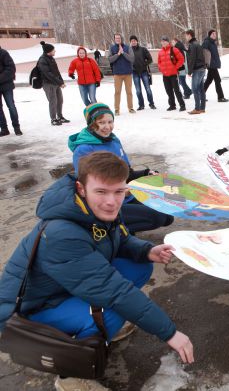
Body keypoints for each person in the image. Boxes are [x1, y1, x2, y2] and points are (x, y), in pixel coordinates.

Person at [0, 151, 194, 391]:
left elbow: (119, 240)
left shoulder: (98, 209)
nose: (111, 201)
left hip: (65, 286)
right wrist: (170, 333)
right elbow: (114, 292)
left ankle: (96, 329)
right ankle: (70, 377)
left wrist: (146, 251)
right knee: (111, 311)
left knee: (139, 266)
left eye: (119, 191)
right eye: (101, 191)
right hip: (31, 308)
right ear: (81, 189)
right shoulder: (62, 233)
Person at [68, 102, 175, 233]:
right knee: (158, 217)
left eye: (110, 121)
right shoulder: (83, 149)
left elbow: (126, 173)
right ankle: (110, 231)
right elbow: (88, 188)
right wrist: (120, 191)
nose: (107, 127)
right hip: (107, 203)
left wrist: (147, 173)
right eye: (101, 122)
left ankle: (121, 228)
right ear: (91, 124)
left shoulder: (113, 141)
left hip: (125, 195)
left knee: (168, 214)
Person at [38, 41, 69, 126]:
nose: (55, 51)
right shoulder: (42, 60)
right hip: (48, 83)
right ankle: (53, 119)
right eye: (53, 50)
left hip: (55, 83)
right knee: (53, 101)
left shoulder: (51, 58)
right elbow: (48, 74)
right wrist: (59, 82)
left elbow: (56, 72)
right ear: (49, 51)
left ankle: (60, 117)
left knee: (60, 100)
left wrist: (61, 82)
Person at [108, 33, 135, 115]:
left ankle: (130, 108)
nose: (117, 39)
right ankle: (116, 109)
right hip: (117, 74)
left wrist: (123, 53)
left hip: (128, 74)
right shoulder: (111, 48)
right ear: (114, 39)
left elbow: (132, 59)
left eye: (119, 38)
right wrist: (118, 54)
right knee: (117, 92)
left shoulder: (128, 47)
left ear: (121, 39)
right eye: (116, 38)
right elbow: (110, 60)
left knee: (129, 92)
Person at [158, 36, 186, 112]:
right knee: (168, 90)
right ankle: (172, 105)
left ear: (168, 42)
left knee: (177, 90)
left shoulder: (174, 49)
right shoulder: (160, 52)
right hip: (165, 75)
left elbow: (181, 59)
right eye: (162, 41)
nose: (163, 42)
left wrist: (176, 67)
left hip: (173, 74)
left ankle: (182, 105)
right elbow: (159, 62)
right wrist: (161, 68)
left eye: (165, 41)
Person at [129, 35, 156, 111]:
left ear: (137, 41)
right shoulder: (129, 50)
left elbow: (150, 59)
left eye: (134, 40)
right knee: (138, 90)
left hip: (144, 72)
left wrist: (143, 64)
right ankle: (141, 105)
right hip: (135, 73)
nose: (133, 42)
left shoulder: (143, 49)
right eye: (132, 41)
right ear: (130, 42)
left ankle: (151, 104)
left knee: (148, 89)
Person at [184, 29, 207, 114]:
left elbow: (192, 59)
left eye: (186, 35)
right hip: (202, 69)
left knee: (194, 89)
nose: (185, 37)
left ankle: (197, 108)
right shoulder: (197, 43)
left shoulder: (192, 45)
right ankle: (202, 108)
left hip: (197, 69)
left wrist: (189, 72)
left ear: (189, 35)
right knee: (201, 89)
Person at [0, 45, 21, 136]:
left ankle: (16, 128)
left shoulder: (3, 53)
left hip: (6, 85)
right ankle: (4, 129)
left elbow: (11, 68)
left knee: (11, 106)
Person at [203, 29, 229, 102]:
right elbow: (204, 53)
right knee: (217, 80)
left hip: (213, 64)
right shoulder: (207, 42)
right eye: (213, 34)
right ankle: (220, 97)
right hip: (211, 65)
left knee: (209, 80)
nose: (215, 35)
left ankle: (200, 95)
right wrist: (207, 63)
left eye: (215, 34)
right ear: (210, 35)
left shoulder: (213, 43)